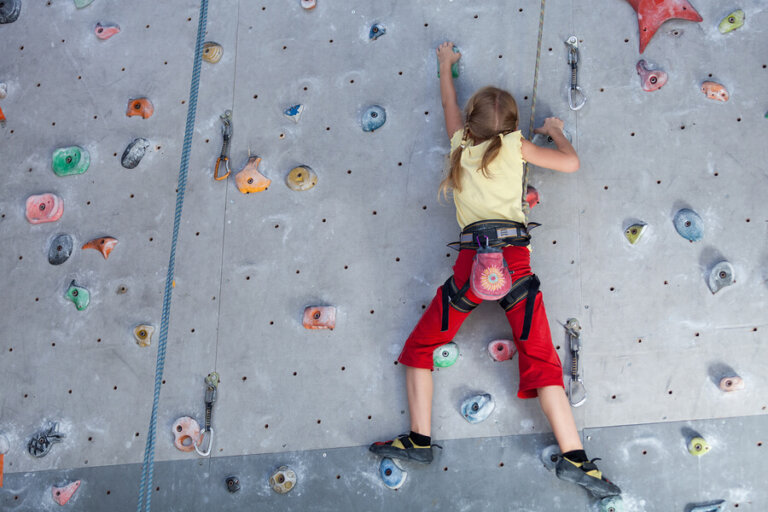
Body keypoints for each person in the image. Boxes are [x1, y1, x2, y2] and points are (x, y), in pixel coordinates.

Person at [369, 41, 620, 499]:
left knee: (421, 347)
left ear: (471, 123)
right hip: (516, 264)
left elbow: (448, 100)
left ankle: (419, 440)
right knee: (542, 362)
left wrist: (445, 64)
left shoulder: (460, 143)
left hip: (471, 266)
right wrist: (556, 131)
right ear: (511, 127)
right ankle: (577, 461)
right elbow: (571, 162)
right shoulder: (516, 146)